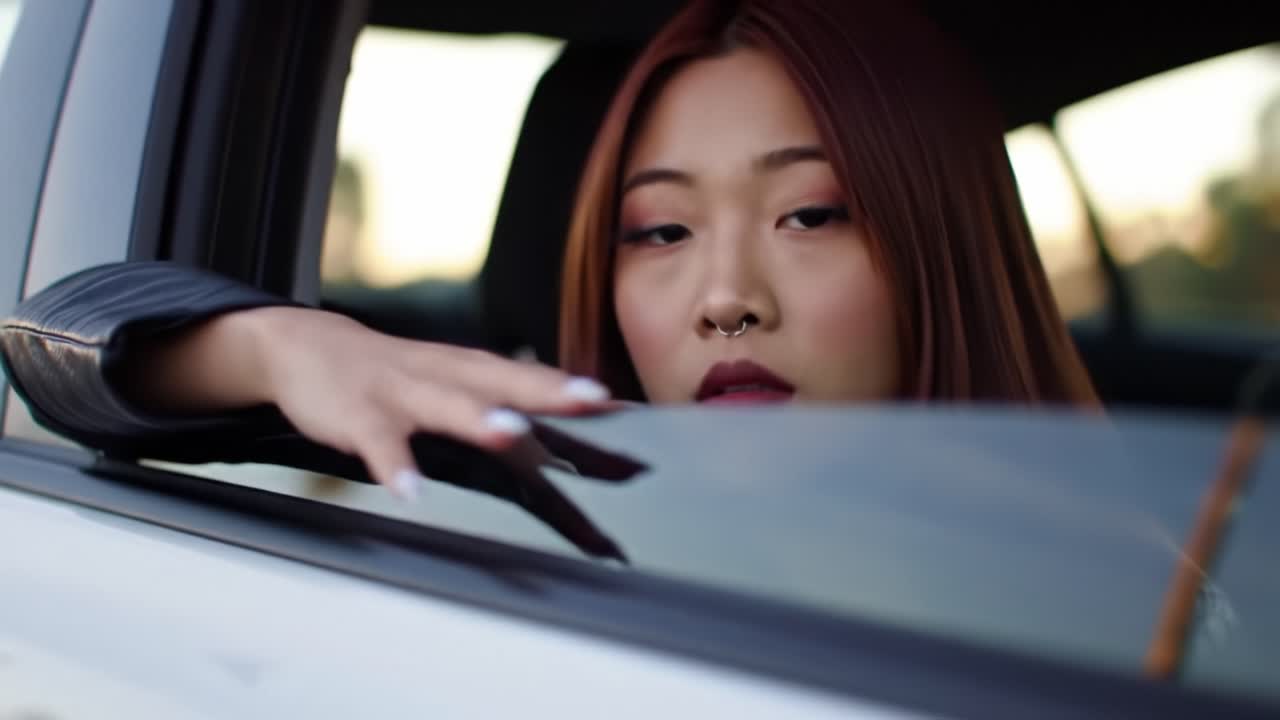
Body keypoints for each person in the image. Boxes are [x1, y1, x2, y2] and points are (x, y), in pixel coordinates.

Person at [0, 0, 1096, 527]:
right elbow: (56, 342)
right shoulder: (543, 481)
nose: (726, 300)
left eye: (809, 215)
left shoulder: (1140, 577)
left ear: (946, 245)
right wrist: (286, 348)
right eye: (661, 231)